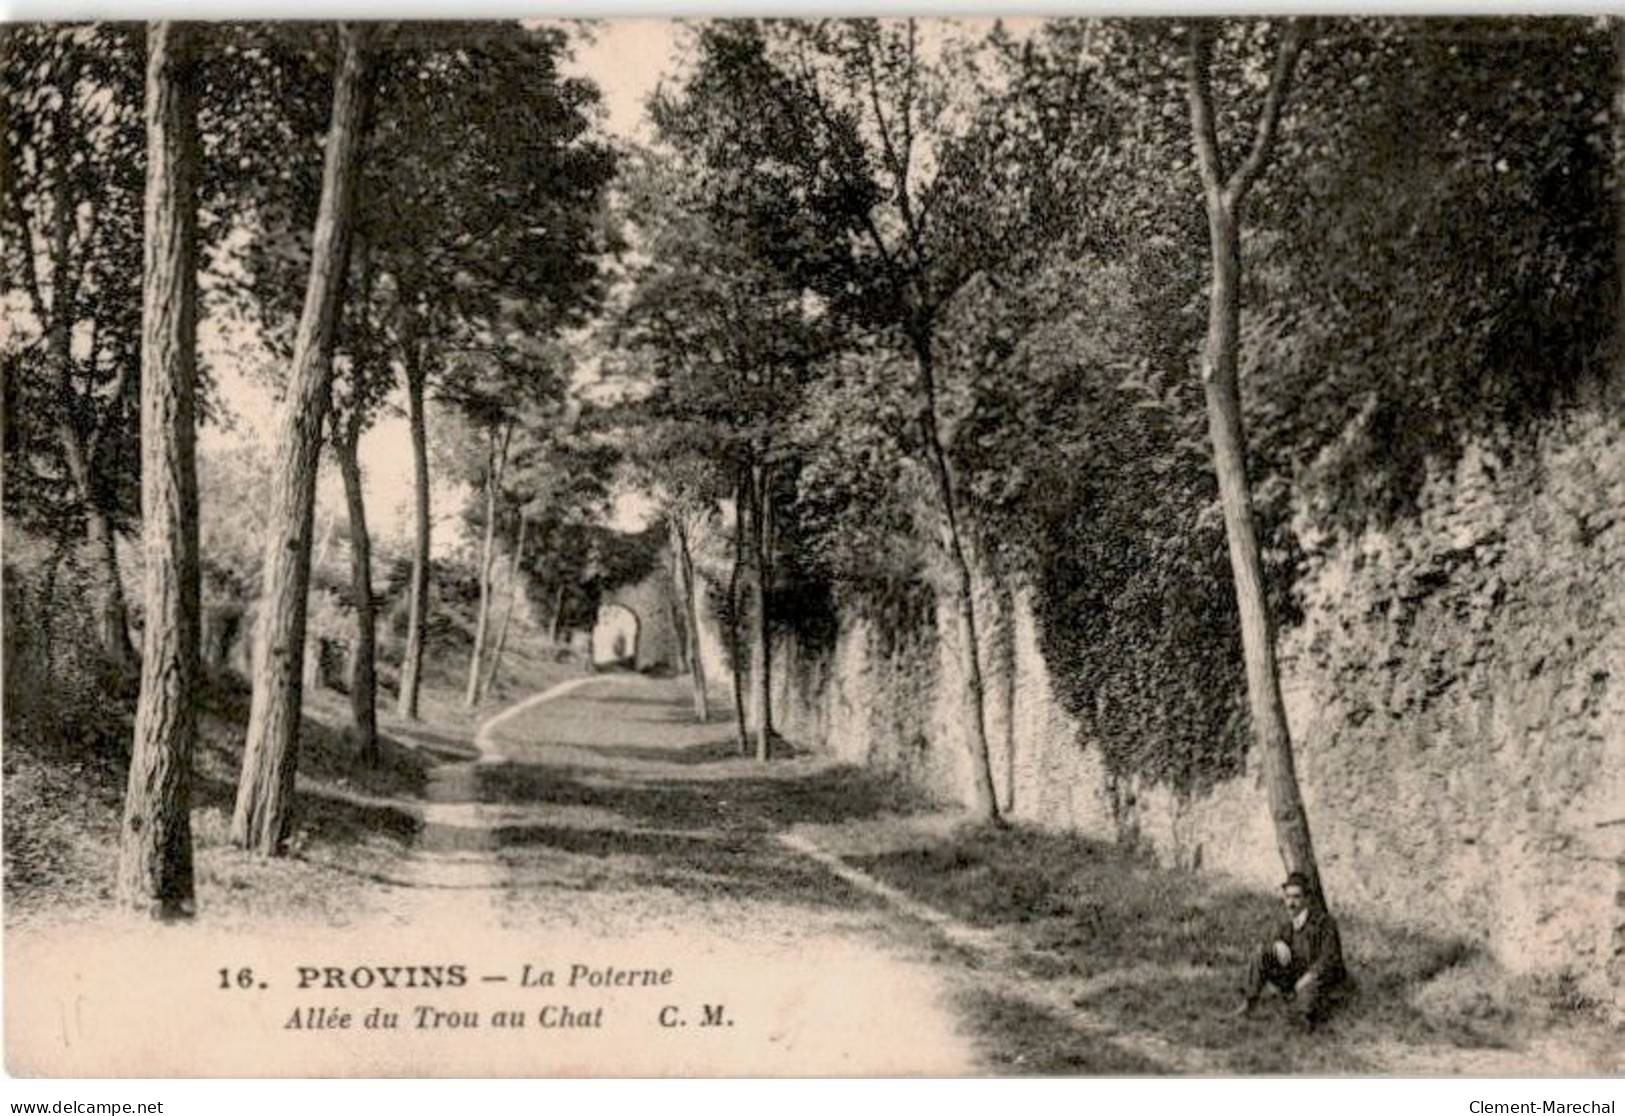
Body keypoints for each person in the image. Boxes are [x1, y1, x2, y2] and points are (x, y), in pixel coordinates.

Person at [1232, 871, 1349, 1029]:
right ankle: (1249, 1002)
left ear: (1307, 899)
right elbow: (1268, 944)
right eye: (1287, 897)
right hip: (1295, 975)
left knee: (1308, 996)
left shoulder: (1324, 923)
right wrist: (1276, 945)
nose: (1291, 903)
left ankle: (1302, 1020)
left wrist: (1310, 975)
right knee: (1261, 953)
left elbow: (1330, 958)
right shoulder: (1286, 925)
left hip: (1322, 980)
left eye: (1296, 897)